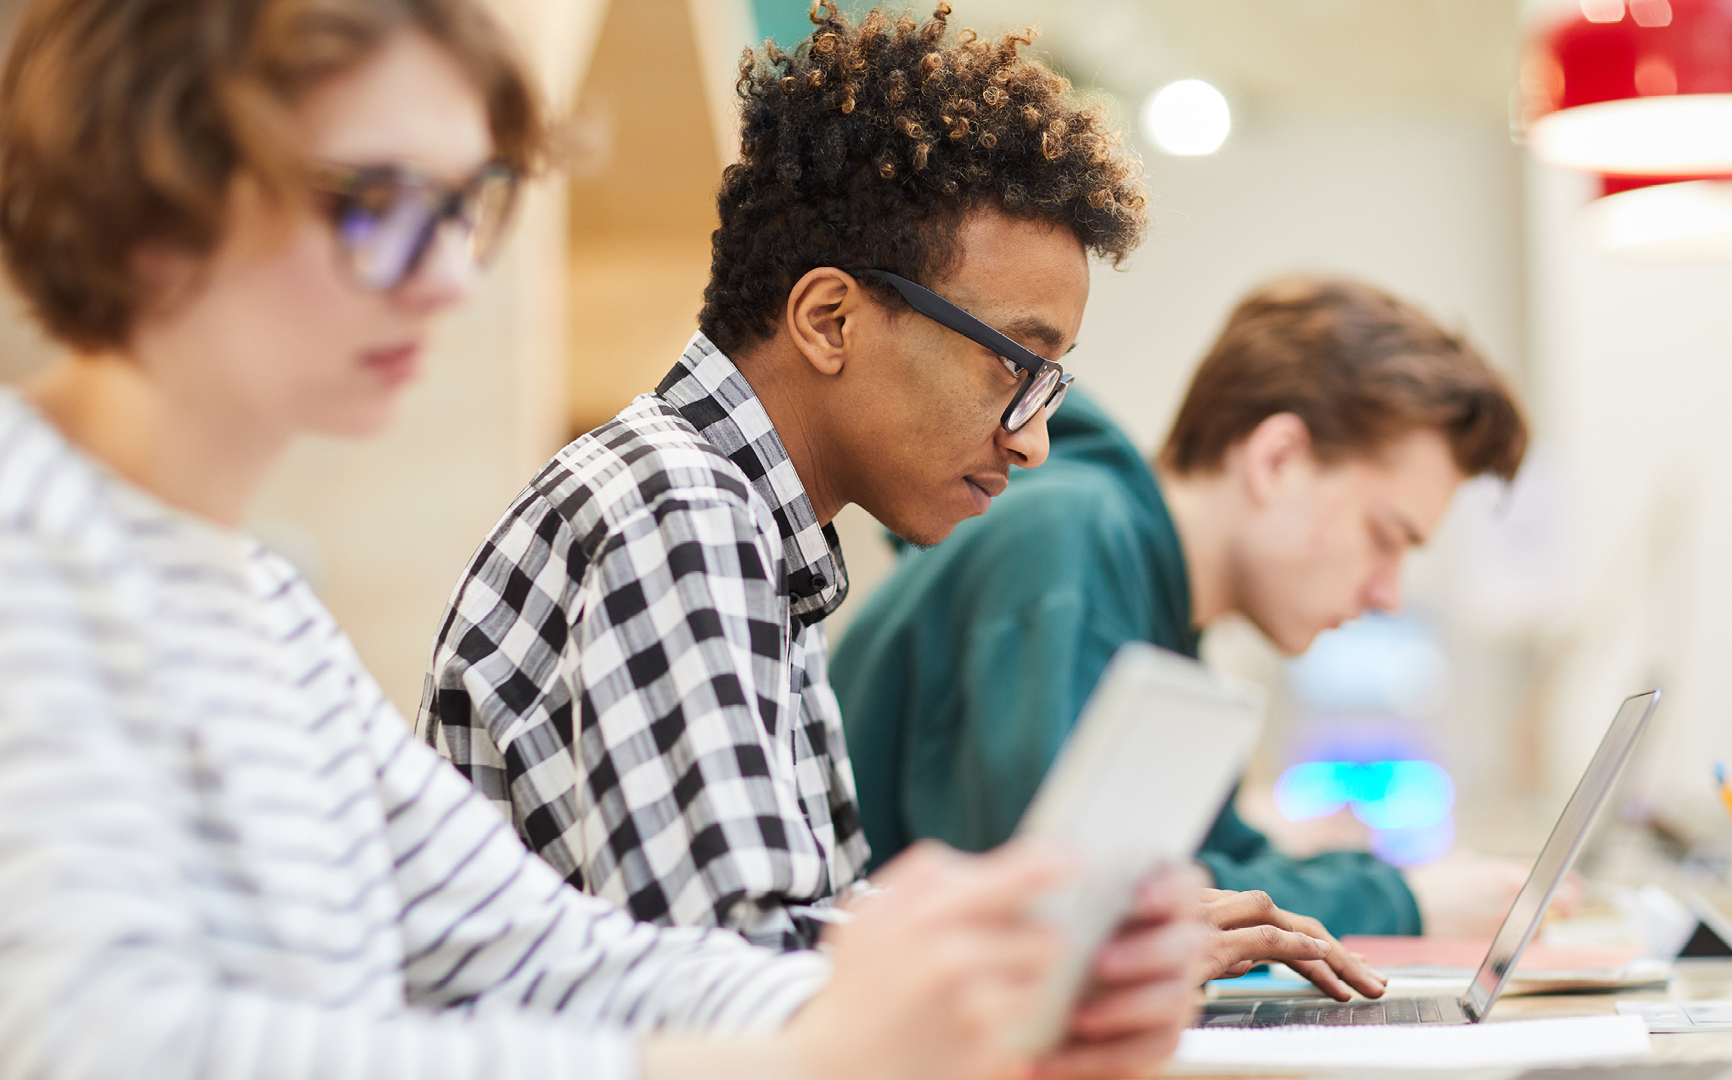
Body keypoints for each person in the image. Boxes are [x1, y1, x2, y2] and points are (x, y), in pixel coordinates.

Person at [0, 0, 1205, 1076]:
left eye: (471, 209)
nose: (450, 282)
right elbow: (99, 1045)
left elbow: (548, 955)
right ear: (151, 192)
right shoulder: (29, 552)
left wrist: (982, 1003)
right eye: (377, 207)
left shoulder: (258, 608)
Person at [416, 0, 1383, 997]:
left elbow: (794, 922)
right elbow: (740, 988)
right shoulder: (678, 508)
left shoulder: (748, 527)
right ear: (830, 319)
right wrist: (1062, 952)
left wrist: (1078, 930)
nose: (1036, 439)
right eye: (1015, 366)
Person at [831, 276, 1546, 942]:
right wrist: (1405, 902)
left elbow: (1207, 863)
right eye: (1385, 538)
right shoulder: (1069, 543)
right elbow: (1064, 911)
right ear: (1278, 460)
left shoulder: (1156, 611)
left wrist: (1393, 886)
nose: (1388, 592)